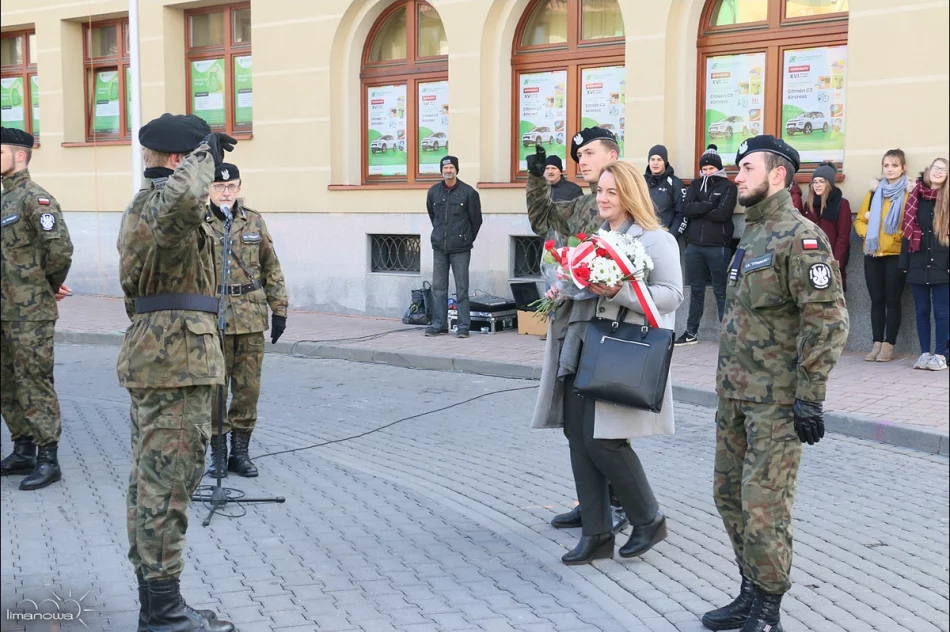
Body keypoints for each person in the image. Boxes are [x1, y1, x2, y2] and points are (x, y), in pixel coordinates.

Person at [706, 136, 848, 632]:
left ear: (778, 175)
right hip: (735, 395)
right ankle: (750, 590)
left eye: (747, 167)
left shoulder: (800, 237)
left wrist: (810, 396)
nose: (737, 176)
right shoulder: (752, 233)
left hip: (776, 402)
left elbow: (827, 321)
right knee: (728, 496)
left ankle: (768, 609)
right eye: (737, 168)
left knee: (764, 506)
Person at [530, 159, 683, 565]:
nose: (602, 198)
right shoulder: (598, 236)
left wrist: (618, 291)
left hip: (619, 350)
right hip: (581, 344)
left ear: (631, 195)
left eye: (612, 192)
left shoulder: (656, 240)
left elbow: (671, 296)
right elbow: (583, 284)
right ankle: (597, 533)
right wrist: (563, 288)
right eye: (600, 190)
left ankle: (648, 518)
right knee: (577, 436)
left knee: (604, 440)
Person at [117, 113, 236, 632]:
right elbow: (187, 198)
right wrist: (204, 152)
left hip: (166, 354)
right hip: (176, 360)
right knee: (166, 487)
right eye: (197, 161)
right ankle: (163, 615)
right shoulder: (166, 204)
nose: (210, 173)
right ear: (176, 160)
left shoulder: (153, 206)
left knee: (153, 484)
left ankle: (159, 604)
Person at [525, 128, 629, 536]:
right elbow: (542, 221)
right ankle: (591, 501)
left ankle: (621, 503)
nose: (581, 161)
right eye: (578, 155)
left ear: (612, 155)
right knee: (578, 420)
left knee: (608, 420)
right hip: (578, 321)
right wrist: (536, 179)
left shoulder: (630, 203)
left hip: (612, 325)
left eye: (589, 153)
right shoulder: (584, 204)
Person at [202, 163, 288, 479]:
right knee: (214, 388)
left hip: (251, 316)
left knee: (247, 389)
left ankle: (240, 452)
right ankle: (218, 453)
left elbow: (271, 267)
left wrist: (279, 310)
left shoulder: (253, 220)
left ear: (239, 188)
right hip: (212, 317)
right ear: (209, 189)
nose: (226, 192)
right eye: (219, 187)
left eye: (231, 186)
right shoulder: (198, 222)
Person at [0, 127, 74, 491]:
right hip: (4, 310)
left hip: (30, 313)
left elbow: (59, 250)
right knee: (7, 382)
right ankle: (23, 449)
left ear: (19, 156)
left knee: (34, 381)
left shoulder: (36, 199)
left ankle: (48, 458)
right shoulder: (5, 199)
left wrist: (45, 287)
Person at [674, 144, 737, 346]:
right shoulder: (695, 185)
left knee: (721, 292)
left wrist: (699, 210)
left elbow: (723, 214)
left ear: (718, 168)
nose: (708, 172)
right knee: (696, 291)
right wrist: (709, 205)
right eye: (705, 169)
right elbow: (686, 208)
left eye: (711, 168)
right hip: (694, 247)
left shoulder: (729, 187)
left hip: (718, 247)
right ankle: (691, 332)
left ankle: (727, 336)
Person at [855, 149, 914, 362]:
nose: (889, 169)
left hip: (895, 254)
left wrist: (895, 236)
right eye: (886, 165)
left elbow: (911, 225)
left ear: (903, 168)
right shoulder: (874, 192)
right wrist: (867, 234)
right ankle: (876, 343)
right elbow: (859, 220)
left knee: (892, 300)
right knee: (876, 301)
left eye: (894, 165)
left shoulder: (908, 194)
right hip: (872, 253)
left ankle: (889, 345)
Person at [900, 158, 949, 371]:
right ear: (928, 170)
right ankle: (924, 354)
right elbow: (907, 231)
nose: (938, 172)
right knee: (921, 311)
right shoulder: (915, 196)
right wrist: (904, 262)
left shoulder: (947, 199)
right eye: (935, 168)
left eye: (943, 170)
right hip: (917, 262)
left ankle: (940, 355)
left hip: (942, 264)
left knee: (942, 312)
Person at [425, 155, 482, 338]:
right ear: (441, 170)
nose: (448, 171)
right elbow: (433, 215)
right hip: (439, 247)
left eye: (451, 167)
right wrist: (440, 234)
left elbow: (476, 220)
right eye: (445, 168)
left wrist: (466, 238)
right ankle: (439, 324)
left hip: (460, 248)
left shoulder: (469, 193)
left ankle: (463, 326)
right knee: (438, 287)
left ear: (456, 169)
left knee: (462, 288)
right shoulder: (433, 192)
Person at [802, 162, 852, 291]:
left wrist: (836, 264)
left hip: (832, 261)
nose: (817, 185)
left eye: (821, 181)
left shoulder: (841, 204)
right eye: (815, 182)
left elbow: (843, 237)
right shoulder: (808, 205)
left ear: (829, 183)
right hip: (812, 262)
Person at [644, 144, 686, 232]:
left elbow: (682, 215)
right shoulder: (641, 182)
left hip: (665, 233)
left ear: (665, 162)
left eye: (659, 159)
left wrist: (671, 236)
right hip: (643, 233)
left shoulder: (675, 184)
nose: (655, 163)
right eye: (652, 159)